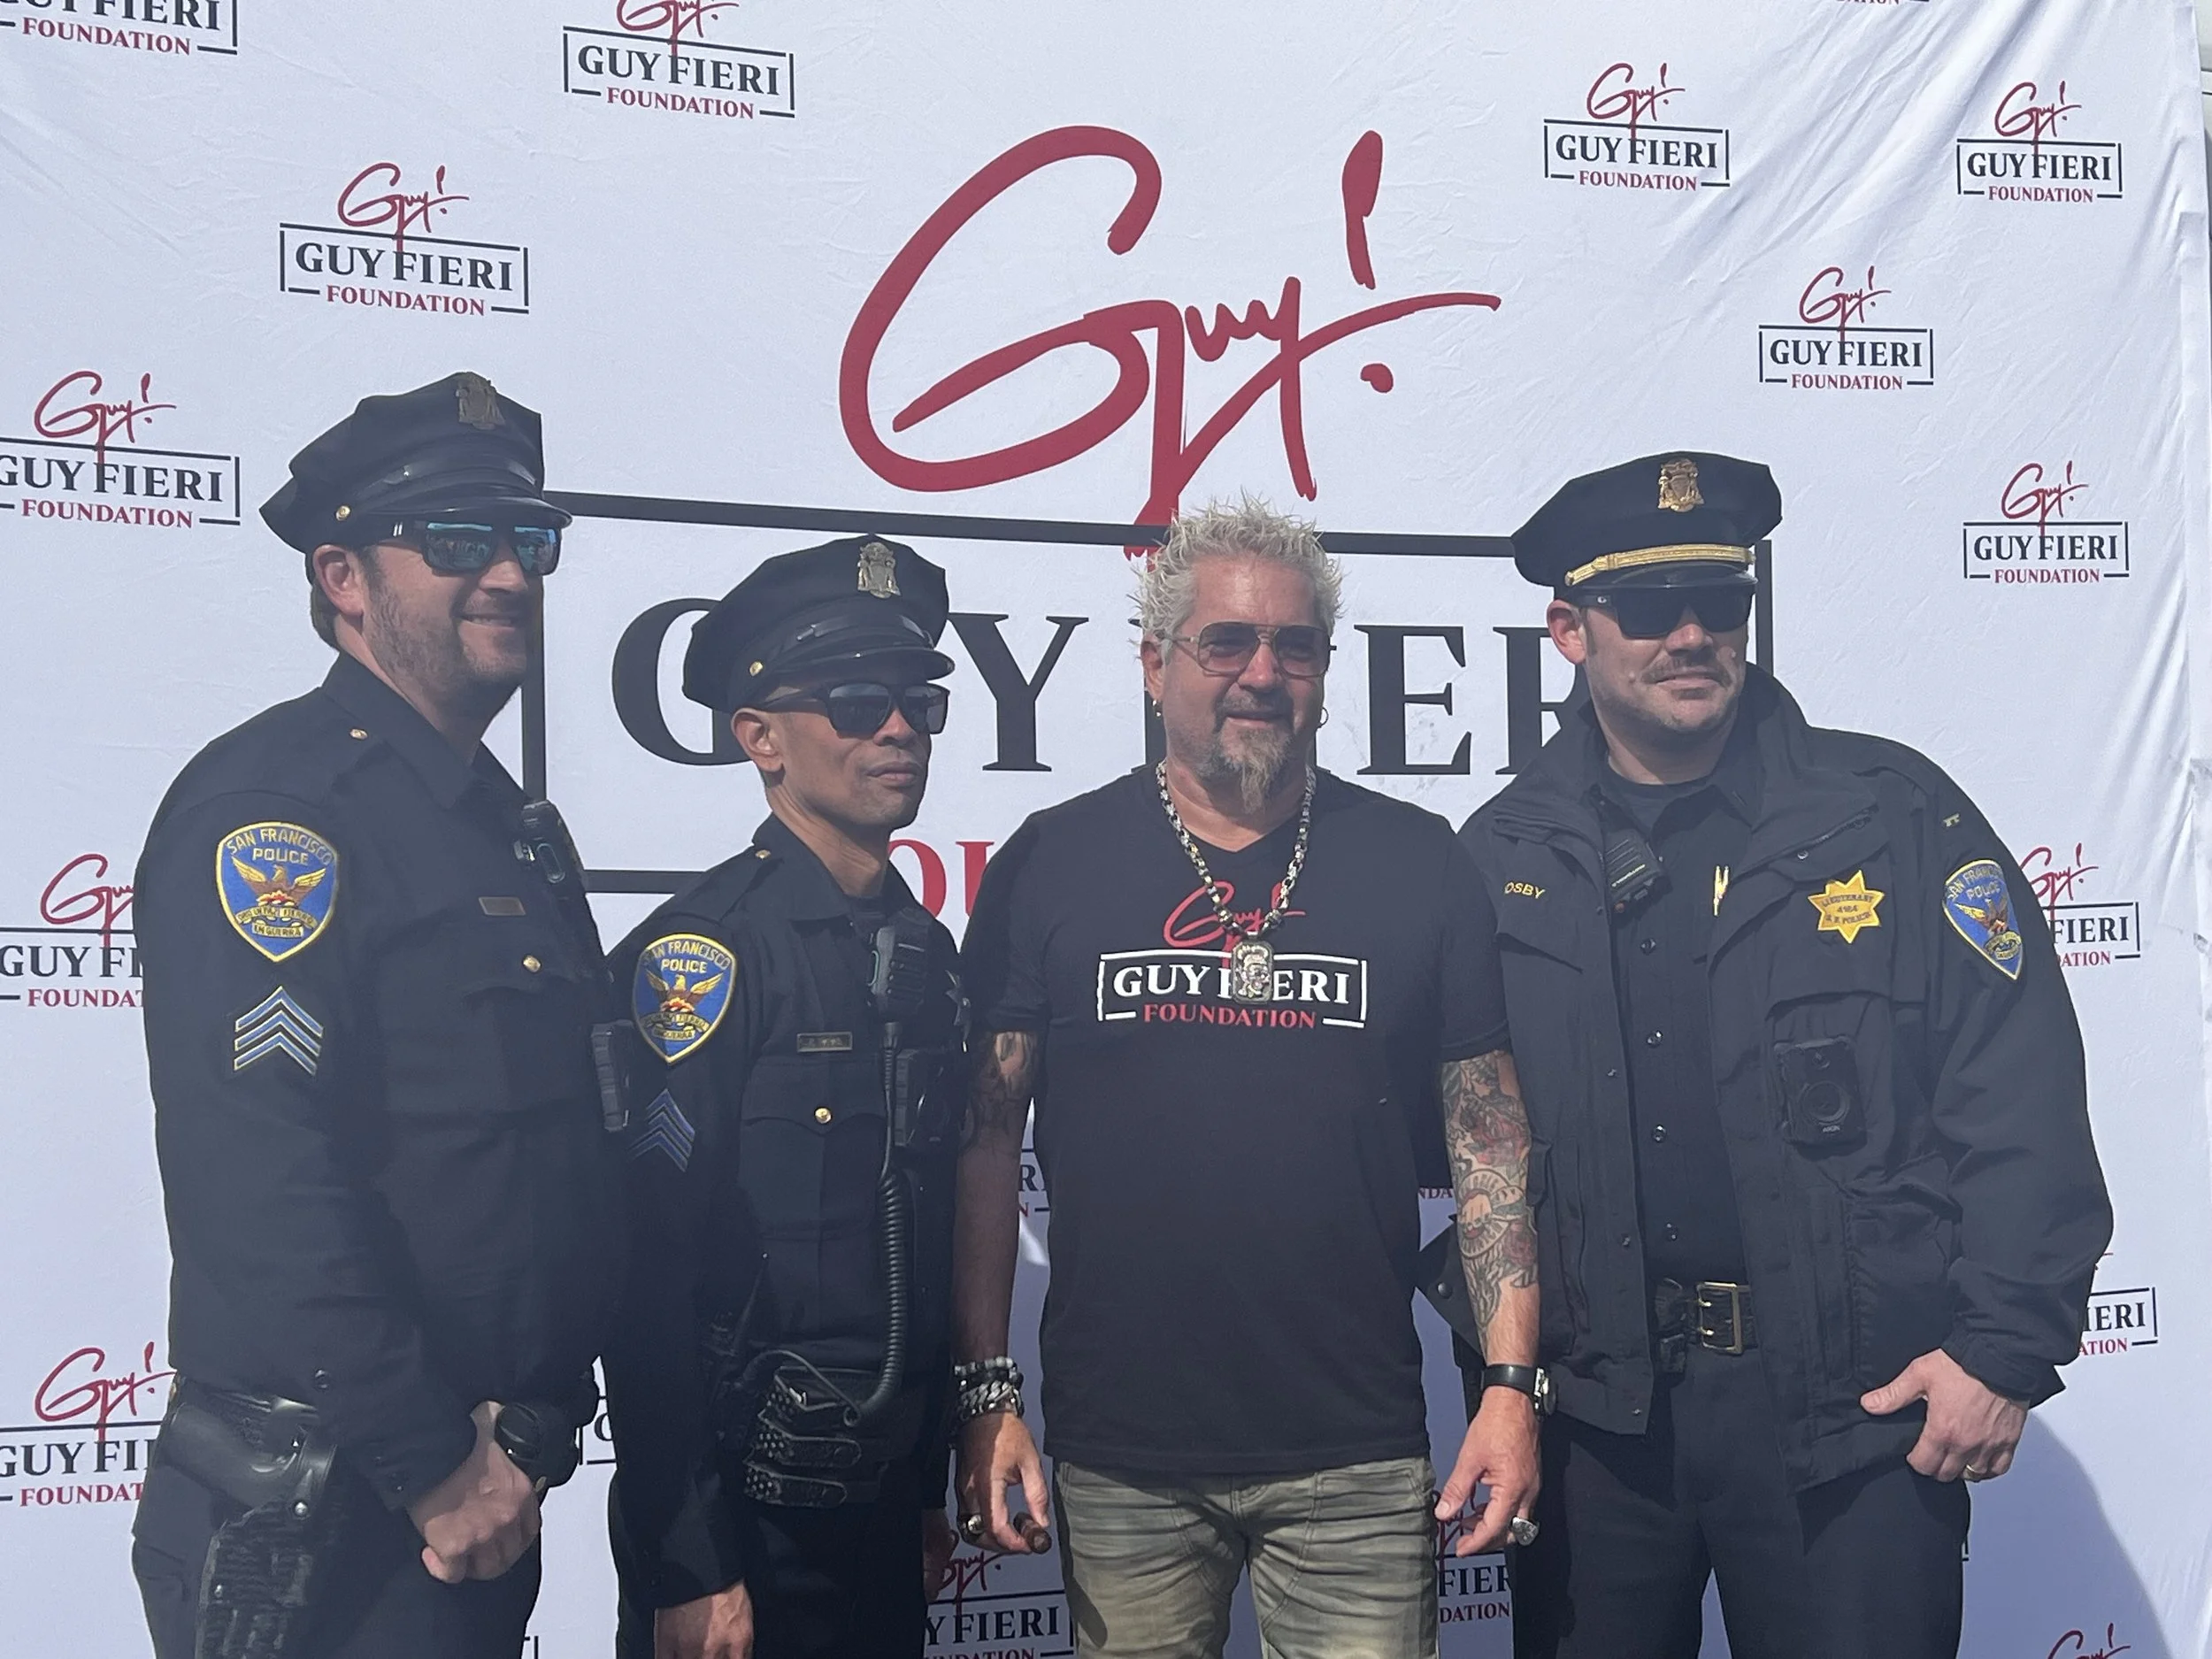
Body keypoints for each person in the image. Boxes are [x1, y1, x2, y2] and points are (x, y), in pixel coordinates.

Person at [1456, 451, 2114, 1659]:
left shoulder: (1892, 814)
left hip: (1849, 1420)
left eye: (1721, 599)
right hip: (1602, 1426)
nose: (1691, 634)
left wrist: (2001, 1349)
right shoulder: (1500, 856)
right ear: (1569, 629)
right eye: (1649, 606)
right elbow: (1465, 1147)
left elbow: (2016, 1090)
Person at [954, 497, 1540, 1659]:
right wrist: (985, 1394)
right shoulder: (1049, 862)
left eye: (1295, 645)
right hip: (1121, 1450)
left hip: (1356, 1448)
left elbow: (1489, 1143)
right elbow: (982, 1143)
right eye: (1226, 641)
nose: (1262, 673)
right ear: (1154, 662)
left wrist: (1512, 1385)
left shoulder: (1418, 862)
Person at [131, 372, 619, 1658]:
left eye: (530, 539)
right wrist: (431, 1461)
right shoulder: (280, 813)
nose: (507, 573)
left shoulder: (511, 827)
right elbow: (257, 1169)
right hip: (343, 1519)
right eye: (457, 539)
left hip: (478, 1497)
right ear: (342, 577)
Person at [603, 534, 968, 1659]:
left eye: (917, 703)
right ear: (758, 737)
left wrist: (922, 1490)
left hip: (881, 1512)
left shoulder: (927, 952)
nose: (898, 729)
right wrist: (688, 1558)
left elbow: (919, 1244)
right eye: (857, 703)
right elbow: (644, 1272)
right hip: (744, 1534)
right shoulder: (701, 957)